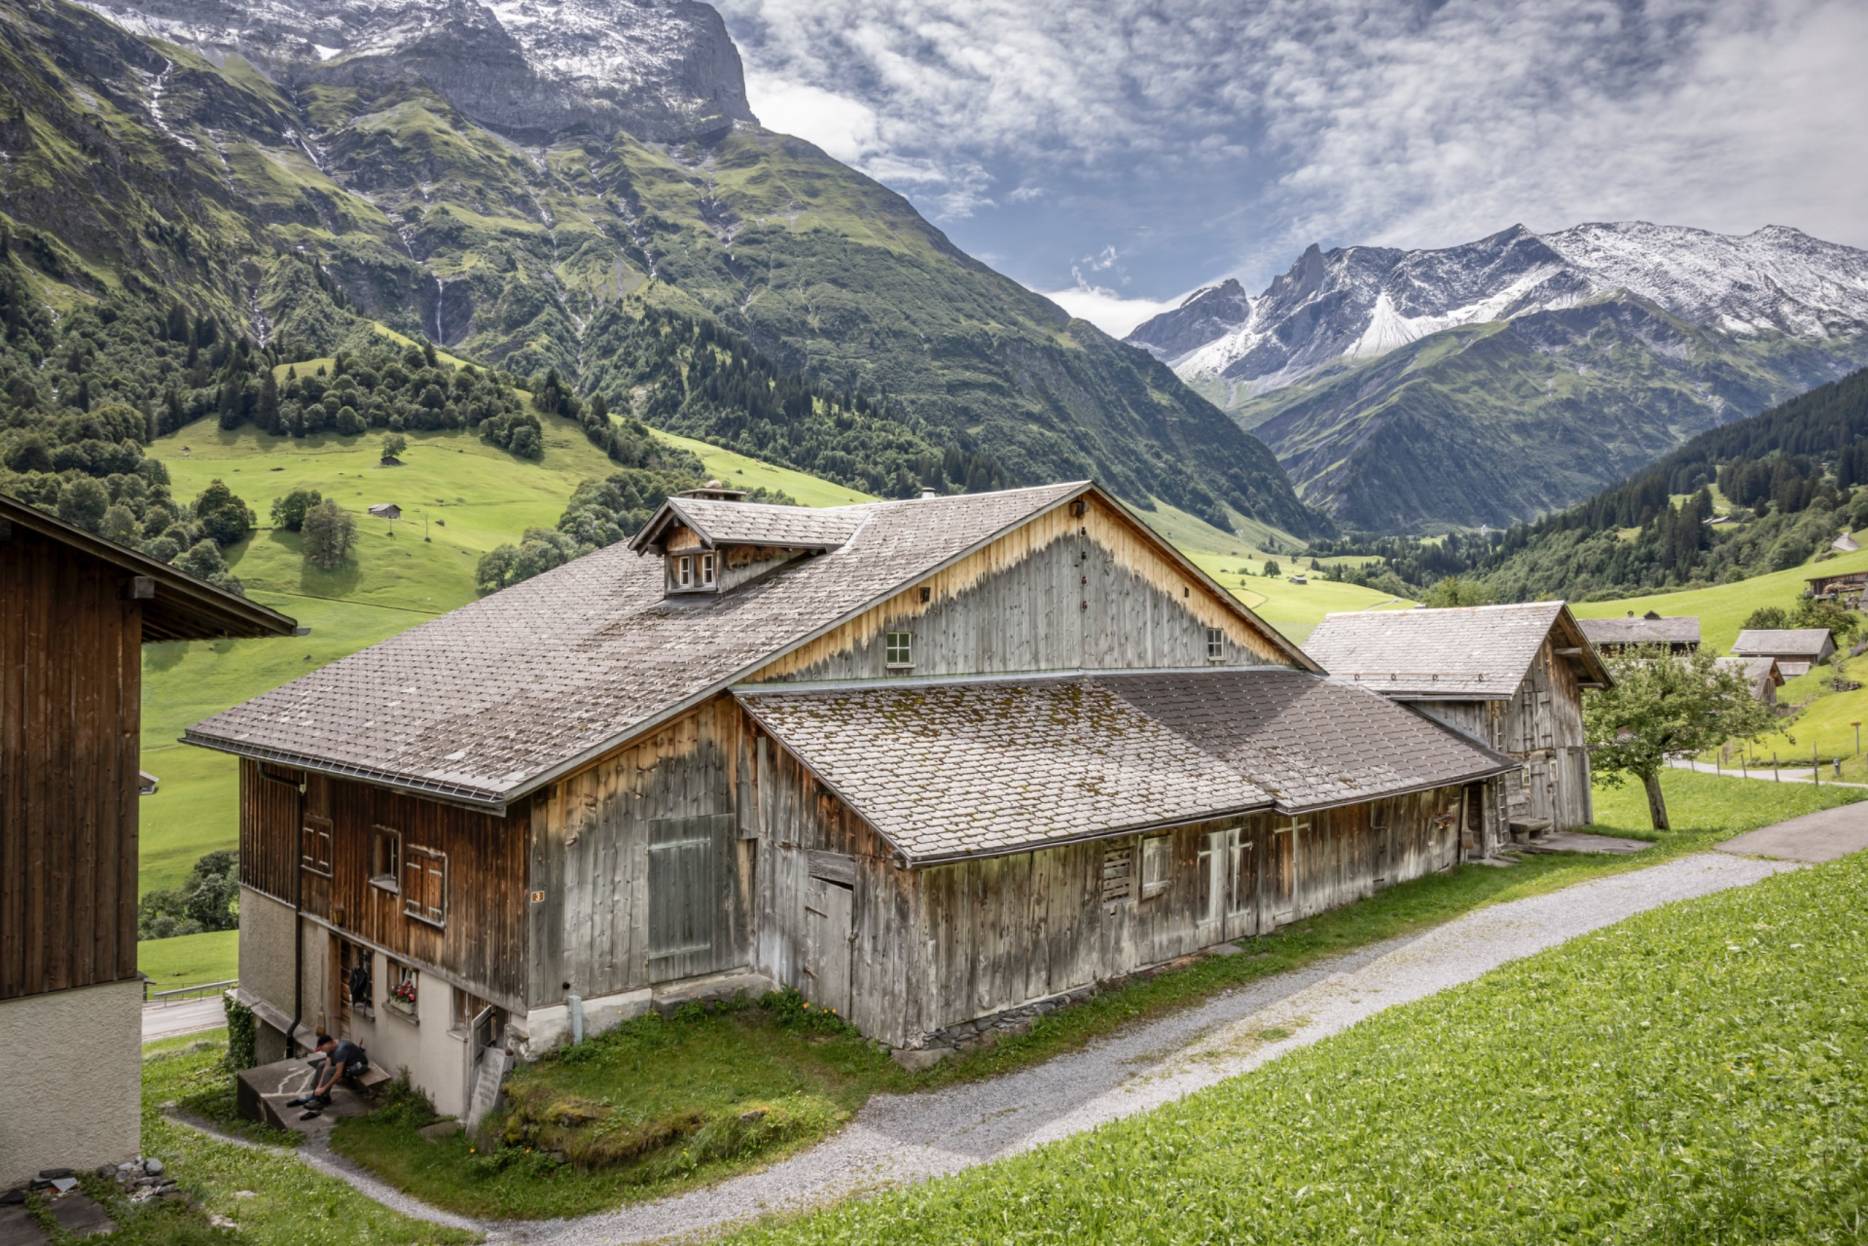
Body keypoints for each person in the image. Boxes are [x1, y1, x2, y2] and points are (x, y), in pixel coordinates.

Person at [287, 1033, 368, 1119]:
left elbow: (338, 1073)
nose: (322, 1051)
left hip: (357, 1066)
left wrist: (324, 1088)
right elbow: (326, 1066)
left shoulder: (341, 1050)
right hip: (346, 1064)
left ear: (329, 1043)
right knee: (321, 1064)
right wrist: (318, 1087)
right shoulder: (331, 1047)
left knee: (330, 1071)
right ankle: (315, 1094)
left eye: (322, 1048)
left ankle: (323, 1099)